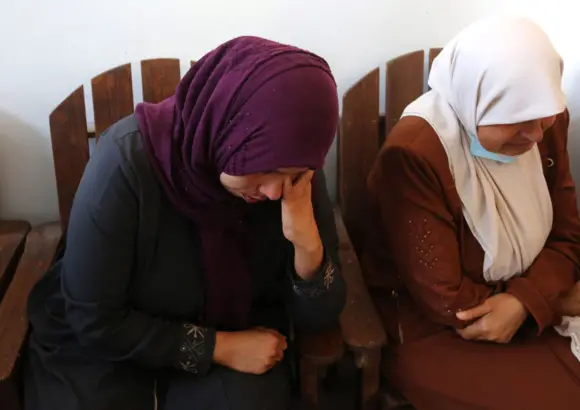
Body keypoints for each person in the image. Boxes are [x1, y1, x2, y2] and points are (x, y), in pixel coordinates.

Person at [24, 36, 346, 410]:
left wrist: (306, 245)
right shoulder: (126, 167)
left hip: (237, 331)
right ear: (225, 133)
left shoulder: (297, 175)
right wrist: (218, 348)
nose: (274, 192)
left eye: (293, 173)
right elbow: (94, 318)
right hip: (111, 348)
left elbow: (319, 317)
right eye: (264, 168)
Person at [363, 17, 580, 410]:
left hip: (528, 299)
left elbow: (567, 237)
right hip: (440, 328)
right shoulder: (414, 156)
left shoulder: (550, 122)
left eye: (542, 116)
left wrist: (526, 302)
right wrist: (549, 303)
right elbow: (447, 299)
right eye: (516, 120)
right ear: (476, 102)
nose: (535, 137)